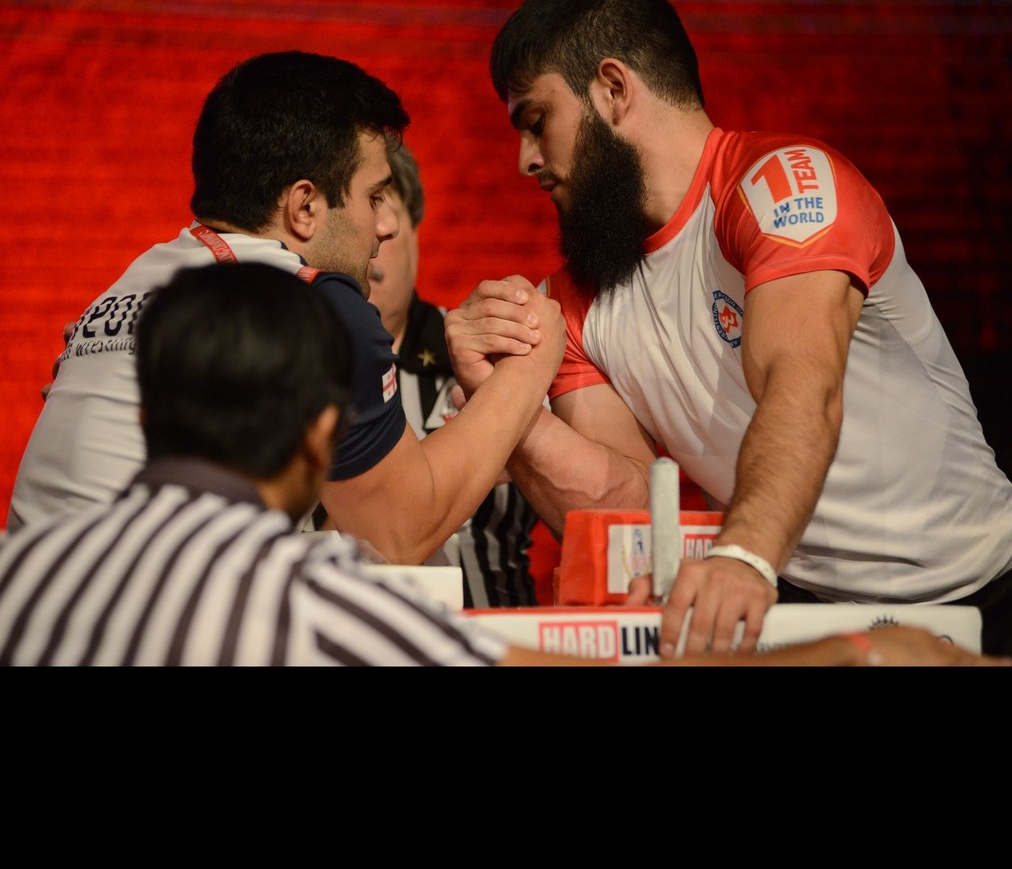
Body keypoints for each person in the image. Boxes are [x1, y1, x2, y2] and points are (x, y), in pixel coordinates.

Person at [1, 260, 1001, 667]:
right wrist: (860, 655)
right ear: (318, 437)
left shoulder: (22, 575)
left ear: (148, 406)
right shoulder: (308, 599)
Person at [444, 0, 1012, 659]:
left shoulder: (784, 188)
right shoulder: (570, 304)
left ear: (613, 88)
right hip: (792, 604)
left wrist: (743, 556)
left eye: (537, 120)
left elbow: (802, 386)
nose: (526, 160)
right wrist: (508, 407)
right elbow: (628, 515)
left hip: (982, 591)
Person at [9, 50, 564, 571]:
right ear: (304, 207)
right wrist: (530, 363)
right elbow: (398, 533)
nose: (387, 225)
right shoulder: (313, 301)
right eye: (374, 198)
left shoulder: (129, 283)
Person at [346, 143, 544, 607]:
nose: (369, 248)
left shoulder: (494, 356)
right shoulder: (296, 367)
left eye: (381, 217)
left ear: (410, 224)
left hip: (497, 632)